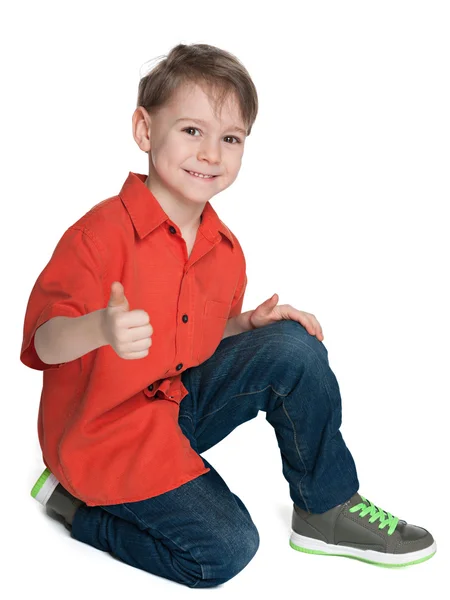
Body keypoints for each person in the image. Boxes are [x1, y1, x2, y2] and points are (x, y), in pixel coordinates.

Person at [20, 43, 436, 588]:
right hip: (103, 437)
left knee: (293, 346)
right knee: (227, 550)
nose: (211, 153)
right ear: (145, 131)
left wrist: (244, 328)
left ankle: (326, 509)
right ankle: (78, 509)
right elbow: (43, 342)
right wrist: (100, 327)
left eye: (230, 138)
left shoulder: (224, 249)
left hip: (172, 406)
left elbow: (189, 343)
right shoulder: (98, 237)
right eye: (192, 131)